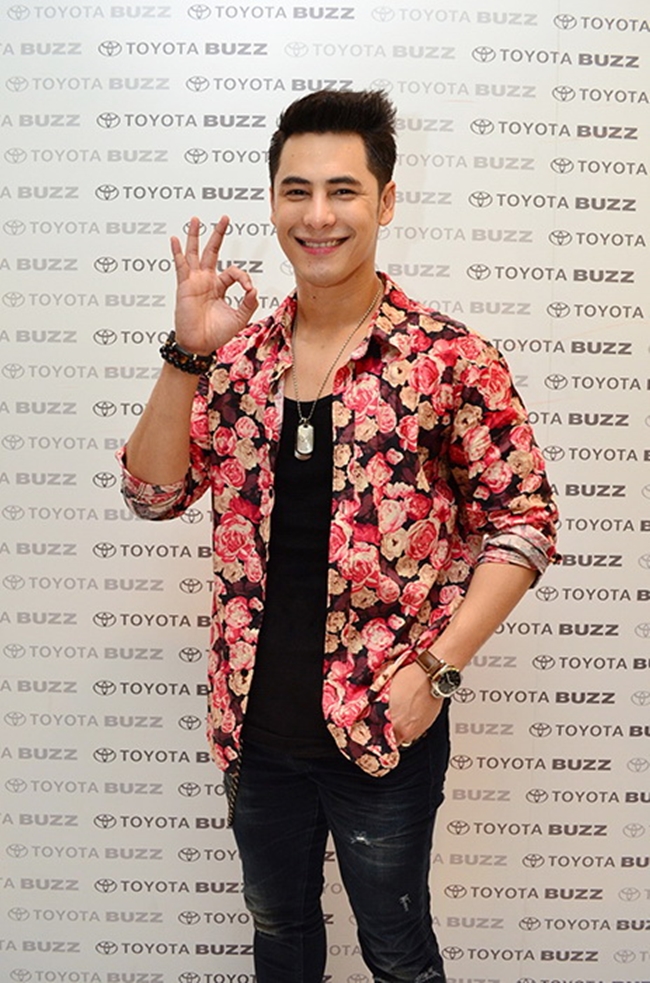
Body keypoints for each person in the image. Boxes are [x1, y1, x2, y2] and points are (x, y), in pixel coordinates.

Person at [119, 89, 559, 983]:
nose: (318, 215)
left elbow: (523, 521)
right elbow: (153, 493)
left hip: (385, 722)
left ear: (384, 202)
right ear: (274, 202)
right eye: (297, 191)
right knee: (279, 934)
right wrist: (187, 351)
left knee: (397, 950)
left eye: (343, 190)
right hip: (255, 728)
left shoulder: (449, 358)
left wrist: (436, 673)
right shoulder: (236, 360)